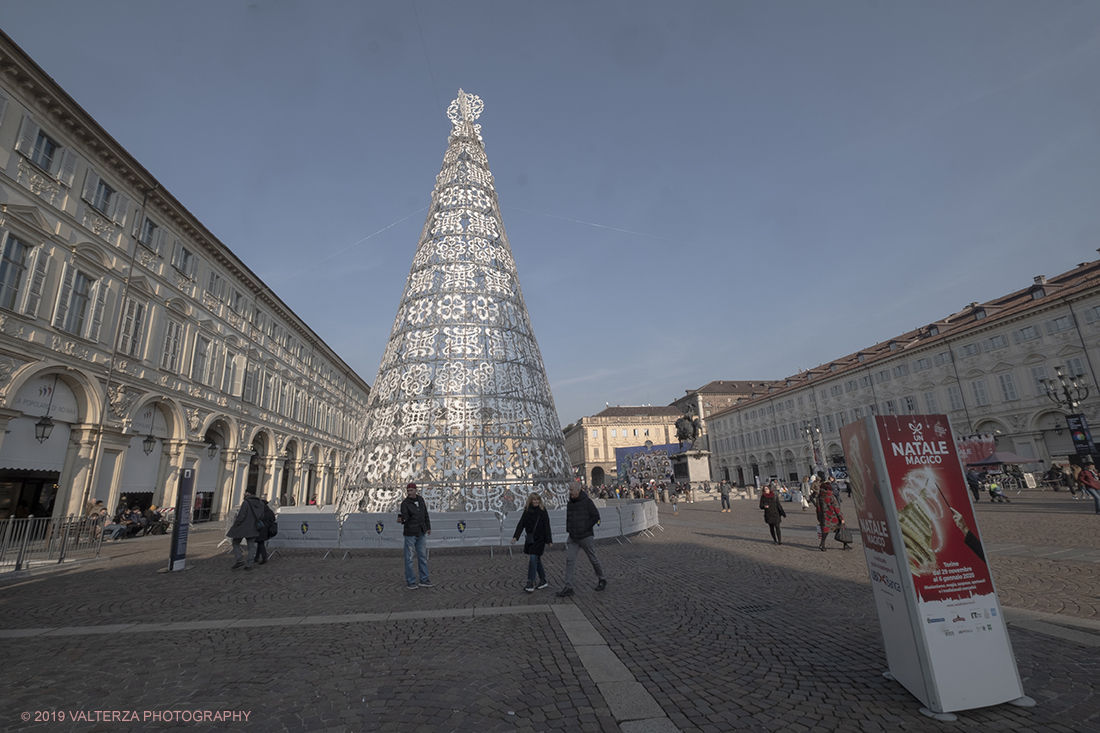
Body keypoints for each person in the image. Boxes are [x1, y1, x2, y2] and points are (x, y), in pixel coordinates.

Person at [556, 484, 606, 597]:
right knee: (569, 560)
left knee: (593, 558)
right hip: (573, 537)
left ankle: (602, 578)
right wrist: (570, 529)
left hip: (585, 536)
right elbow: (569, 518)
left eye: (572, 490)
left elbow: (595, 516)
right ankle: (568, 587)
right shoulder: (570, 503)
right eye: (569, 490)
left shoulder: (587, 502)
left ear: (578, 490)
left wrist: (585, 527)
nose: (570, 492)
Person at [511, 492, 553, 592]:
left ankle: (530, 582)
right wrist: (515, 537)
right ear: (531, 500)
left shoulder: (542, 511)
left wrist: (549, 540)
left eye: (538, 499)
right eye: (534, 499)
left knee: (533, 558)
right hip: (531, 539)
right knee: (537, 560)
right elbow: (521, 524)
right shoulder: (527, 511)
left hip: (540, 539)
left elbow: (547, 526)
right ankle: (543, 580)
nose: (536, 501)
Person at [398, 482, 433, 589]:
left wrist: (428, 527)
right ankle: (410, 581)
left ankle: (424, 579)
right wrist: (402, 519)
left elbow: (425, 514)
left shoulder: (421, 500)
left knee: (422, 557)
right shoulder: (405, 503)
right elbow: (405, 517)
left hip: (421, 531)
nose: (410, 493)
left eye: (411, 490)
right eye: (408, 491)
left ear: (415, 490)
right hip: (410, 533)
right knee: (409, 558)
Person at [227, 487, 264, 570]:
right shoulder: (261, 503)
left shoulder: (246, 503)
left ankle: (239, 560)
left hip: (242, 527)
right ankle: (249, 564)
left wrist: (235, 525)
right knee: (251, 546)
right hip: (254, 527)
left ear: (248, 493)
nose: (244, 494)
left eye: (245, 492)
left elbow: (241, 516)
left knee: (235, 542)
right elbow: (261, 515)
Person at [814, 481, 849, 551]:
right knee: (840, 529)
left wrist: (819, 517)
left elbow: (818, 508)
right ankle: (845, 544)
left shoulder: (820, 496)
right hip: (833, 516)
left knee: (825, 530)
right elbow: (836, 507)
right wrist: (841, 517)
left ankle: (822, 544)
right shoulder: (830, 495)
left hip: (824, 516)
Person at [254, 497, 277, 565]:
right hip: (267, 530)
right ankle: (257, 557)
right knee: (260, 542)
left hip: (261, 529)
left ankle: (264, 557)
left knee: (260, 543)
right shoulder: (270, 511)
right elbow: (273, 520)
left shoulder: (260, 511)